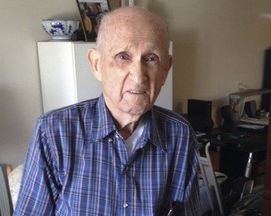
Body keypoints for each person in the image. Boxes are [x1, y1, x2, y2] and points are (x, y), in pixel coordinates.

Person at [14, 6, 200, 216]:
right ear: (96, 64)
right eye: (123, 56)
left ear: (166, 69)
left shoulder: (180, 135)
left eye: (151, 58)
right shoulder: (54, 133)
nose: (138, 76)